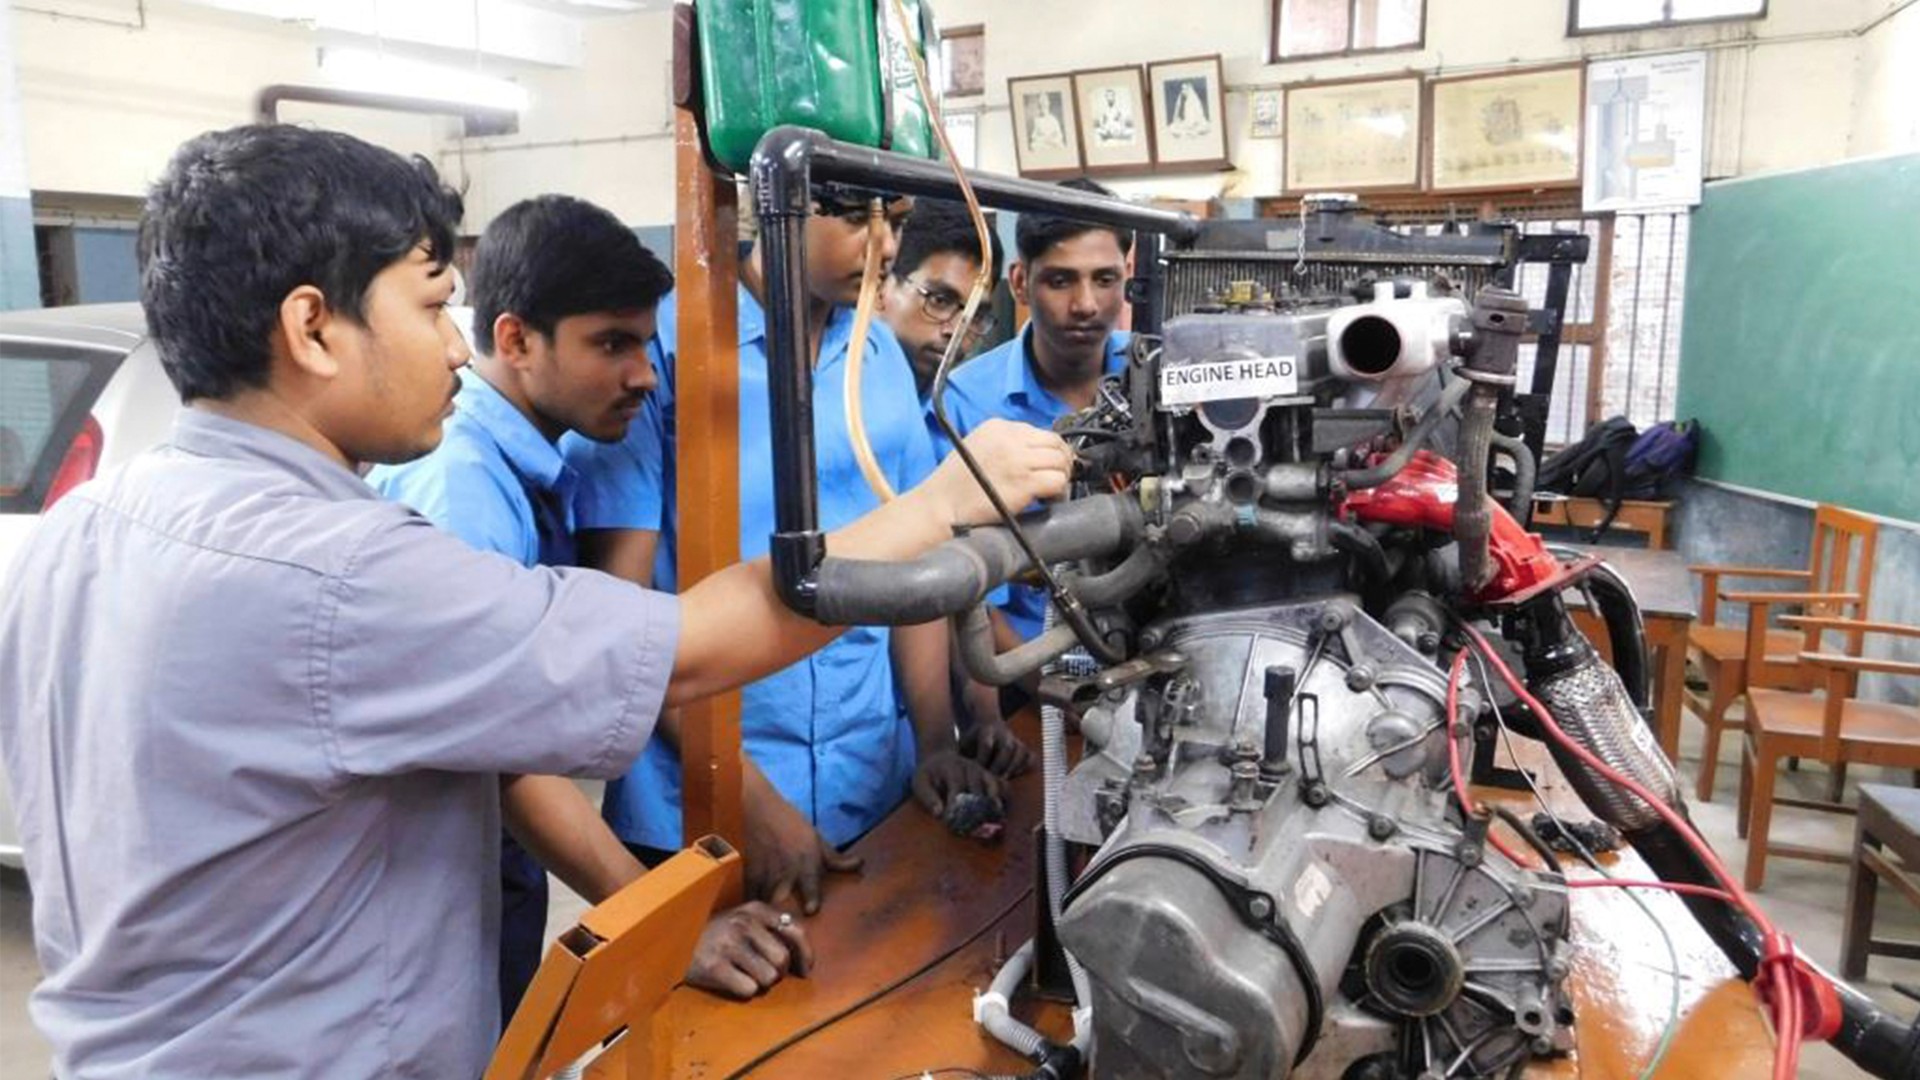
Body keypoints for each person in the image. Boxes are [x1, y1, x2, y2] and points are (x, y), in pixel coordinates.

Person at [0, 124, 1071, 1079]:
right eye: (430, 308)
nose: (456, 345)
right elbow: (688, 649)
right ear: (314, 328)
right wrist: (940, 503)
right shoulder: (343, 571)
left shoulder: (86, 523)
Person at [366, 194, 797, 1020]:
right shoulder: (466, 488)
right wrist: (662, 925)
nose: (643, 373)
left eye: (643, 341)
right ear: (515, 339)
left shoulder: (535, 460)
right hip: (443, 866)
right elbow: (501, 750)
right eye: (612, 344)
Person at [563, 183, 1024, 895]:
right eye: (853, 218)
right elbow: (623, 626)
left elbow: (918, 573)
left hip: (867, 788)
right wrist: (752, 803)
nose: (886, 247)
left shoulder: (879, 357)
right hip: (699, 812)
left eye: (896, 222)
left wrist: (935, 743)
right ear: (770, 202)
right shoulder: (663, 357)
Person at [928, 178, 1133, 649]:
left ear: (1129, 273)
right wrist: (1049, 693)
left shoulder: (1162, 378)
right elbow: (967, 596)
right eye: (1060, 280)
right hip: (1023, 686)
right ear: (1020, 282)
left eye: (1104, 279)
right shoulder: (964, 405)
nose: (1085, 305)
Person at [881, 198, 1004, 398]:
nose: (957, 331)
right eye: (939, 300)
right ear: (882, 285)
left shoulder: (973, 414)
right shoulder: (824, 396)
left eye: (976, 315)